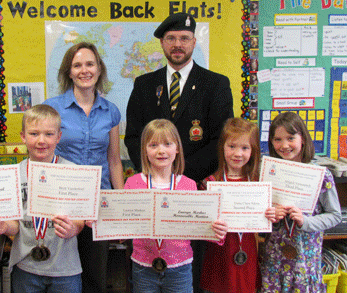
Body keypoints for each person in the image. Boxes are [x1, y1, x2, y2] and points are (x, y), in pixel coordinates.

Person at [124, 12, 234, 292]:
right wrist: (154, 175)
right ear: (162, 43)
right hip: (150, 192)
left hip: (193, 190)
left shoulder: (216, 84)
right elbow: (134, 136)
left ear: (194, 42)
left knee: (187, 270)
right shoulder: (144, 85)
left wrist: (179, 179)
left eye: (184, 38)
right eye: (171, 38)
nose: (177, 44)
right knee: (145, 262)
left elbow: (220, 140)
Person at [44, 42, 124, 292]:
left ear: (99, 69)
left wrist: (121, 206)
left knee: (94, 276)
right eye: (77, 65)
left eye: (90, 64)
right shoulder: (52, 108)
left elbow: (114, 159)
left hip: (97, 205)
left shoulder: (110, 111)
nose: (84, 70)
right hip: (61, 203)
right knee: (59, 275)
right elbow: (42, 155)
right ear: (69, 72)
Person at [0, 104, 84, 293]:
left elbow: (80, 220)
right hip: (25, 266)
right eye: (34, 134)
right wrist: (4, 227)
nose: (41, 141)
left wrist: (74, 228)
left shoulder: (73, 172)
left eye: (49, 134)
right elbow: (14, 225)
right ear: (23, 136)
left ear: (59, 137)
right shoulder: (13, 174)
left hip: (65, 268)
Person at [124, 119, 228, 293]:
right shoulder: (132, 183)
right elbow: (123, 222)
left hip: (180, 268)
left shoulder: (188, 185)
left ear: (177, 148)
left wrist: (216, 230)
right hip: (143, 266)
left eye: (167, 144)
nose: (161, 150)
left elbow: (198, 224)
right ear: (144, 150)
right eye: (153, 145)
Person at [260, 111, 342, 292]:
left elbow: (335, 215)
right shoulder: (267, 173)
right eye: (278, 139)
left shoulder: (321, 175)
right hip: (274, 262)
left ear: (303, 139)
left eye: (290, 138)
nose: (284, 145)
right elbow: (257, 215)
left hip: (305, 263)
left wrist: (306, 221)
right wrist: (268, 215)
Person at [198, 118, 276, 293]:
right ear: (222, 147)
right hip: (218, 256)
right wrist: (207, 226)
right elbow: (199, 226)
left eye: (244, 148)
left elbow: (265, 226)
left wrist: (269, 215)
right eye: (231, 146)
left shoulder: (259, 184)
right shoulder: (209, 183)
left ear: (253, 151)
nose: (237, 153)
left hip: (247, 252)